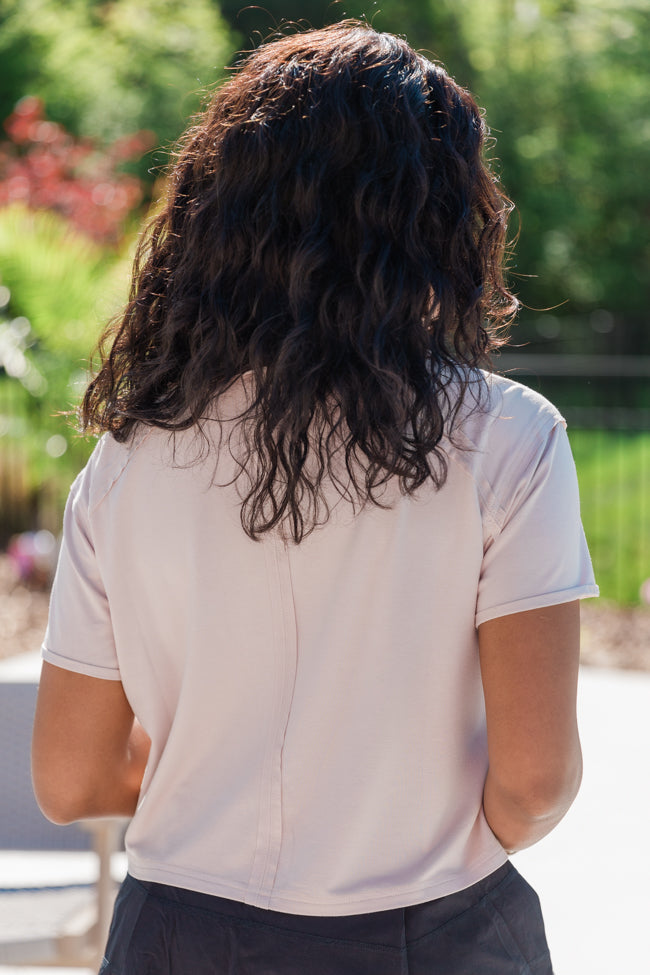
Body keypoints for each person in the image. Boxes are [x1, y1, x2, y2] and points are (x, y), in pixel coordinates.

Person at [32, 21, 598, 975]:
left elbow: (69, 775)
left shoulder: (128, 458)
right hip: (434, 932)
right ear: (443, 214)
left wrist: (211, 793)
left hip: (177, 936)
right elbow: (535, 782)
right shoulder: (509, 437)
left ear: (218, 214)